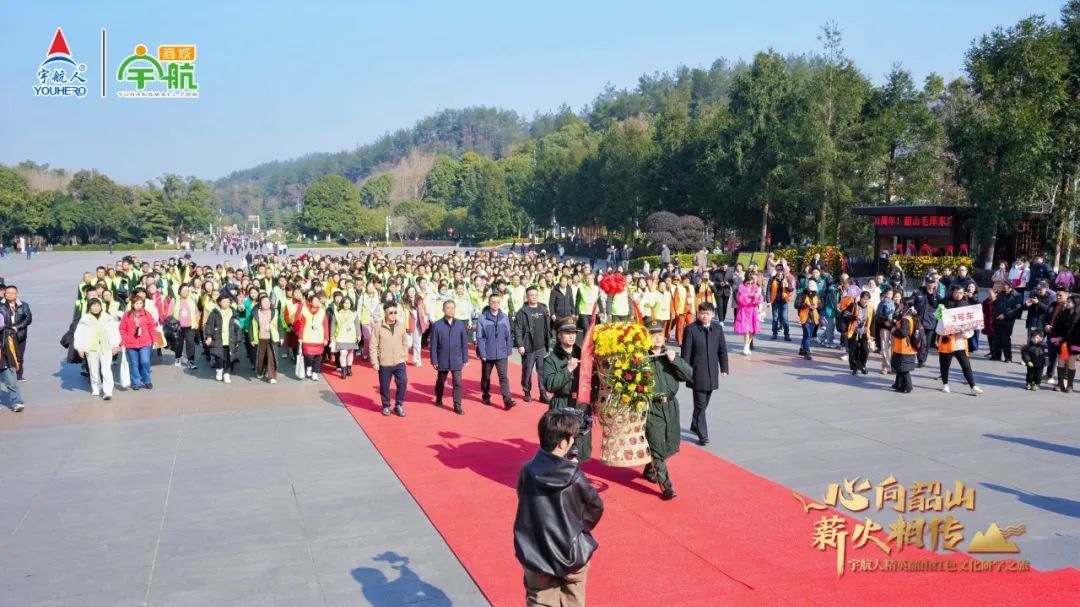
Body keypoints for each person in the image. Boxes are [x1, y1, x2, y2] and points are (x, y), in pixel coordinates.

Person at [513, 409, 604, 607]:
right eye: (571, 438)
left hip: (536, 553)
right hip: (572, 553)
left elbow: (523, 499)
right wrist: (579, 528)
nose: (573, 442)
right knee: (573, 600)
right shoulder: (574, 476)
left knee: (539, 600)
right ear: (562, 443)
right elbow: (595, 507)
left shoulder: (527, 470)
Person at [643, 319, 694, 500]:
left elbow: (689, 375)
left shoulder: (670, 356)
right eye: (652, 335)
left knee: (671, 445)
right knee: (657, 446)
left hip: (671, 406)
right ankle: (666, 487)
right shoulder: (641, 358)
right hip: (652, 407)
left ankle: (650, 469)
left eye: (659, 334)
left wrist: (675, 361)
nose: (656, 338)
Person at [542, 318, 593, 461]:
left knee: (582, 450)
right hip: (562, 404)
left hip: (581, 404)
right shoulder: (552, 359)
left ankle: (572, 477)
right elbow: (550, 385)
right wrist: (568, 369)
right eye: (567, 333)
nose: (571, 336)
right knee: (562, 449)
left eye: (574, 333)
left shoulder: (584, 354)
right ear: (559, 335)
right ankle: (562, 480)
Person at [680, 302, 729, 446]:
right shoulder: (691, 330)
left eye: (707, 313)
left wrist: (724, 368)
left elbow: (722, 350)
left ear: (712, 314)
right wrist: (685, 371)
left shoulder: (717, 329)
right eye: (702, 313)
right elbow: (686, 353)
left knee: (704, 402)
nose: (705, 316)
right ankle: (703, 434)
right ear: (698, 314)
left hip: (712, 372)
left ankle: (695, 423)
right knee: (701, 405)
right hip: (697, 373)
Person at [937, 284, 983, 395]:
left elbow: (971, 324)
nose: (959, 295)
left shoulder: (966, 304)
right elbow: (937, 320)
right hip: (947, 340)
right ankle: (945, 384)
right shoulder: (943, 302)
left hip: (960, 341)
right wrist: (941, 314)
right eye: (957, 292)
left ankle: (973, 386)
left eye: (961, 293)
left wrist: (966, 332)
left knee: (966, 365)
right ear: (952, 292)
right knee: (945, 365)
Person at [73, 298, 121, 400]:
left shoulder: (107, 317)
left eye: (98, 305)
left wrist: (115, 345)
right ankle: (96, 387)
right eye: (93, 306)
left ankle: (108, 391)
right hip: (91, 348)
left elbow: (113, 331)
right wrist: (80, 348)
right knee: (93, 370)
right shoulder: (85, 319)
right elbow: (79, 334)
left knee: (106, 369)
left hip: (106, 347)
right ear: (89, 308)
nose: (96, 308)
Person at [476, 293, 517, 410]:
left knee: (503, 377)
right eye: (493, 302)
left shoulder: (504, 317)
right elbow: (480, 337)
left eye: (497, 302)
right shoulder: (482, 318)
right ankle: (485, 395)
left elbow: (508, 335)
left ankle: (507, 400)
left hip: (502, 353)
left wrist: (509, 350)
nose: (495, 304)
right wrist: (482, 353)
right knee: (486, 376)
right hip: (488, 354)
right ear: (489, 303)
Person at [430, 299, 470, 414]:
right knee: (441, 381)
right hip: (442, 358)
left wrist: (465, 358)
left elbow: (464, 343)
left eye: (452, 308)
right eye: (448, 308)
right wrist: (434, 359)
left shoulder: (460, 324)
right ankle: (439, 397)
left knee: (457, 382)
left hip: (457, 358)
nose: (450, 310)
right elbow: (433, 344)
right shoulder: (437, 325)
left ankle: (457, 404)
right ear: (443, 310)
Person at [514, 286, 551, 403]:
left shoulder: (543, 309)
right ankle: (527, 391)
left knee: (542, 371)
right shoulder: (522, 312)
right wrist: (520, 344)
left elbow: (547, 327)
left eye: (535, 295)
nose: (534, 297)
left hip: (541, 347)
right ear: (527, 297)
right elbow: (518, 330)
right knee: (527, 371)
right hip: (528, 346)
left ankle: (543, 393)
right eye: (531, 295)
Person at [372, 301, 409, 417]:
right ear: (385, 313)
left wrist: (404, 356)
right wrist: (374, 362)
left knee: (403, 382)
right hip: (384, 362)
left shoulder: (401, 325)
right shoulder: (378, 326)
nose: (393, 315)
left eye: (395, 312)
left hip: (399, 361)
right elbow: (373, 345)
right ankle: (386, 406)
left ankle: (398, 404)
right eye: (391, 313)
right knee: (384, 386)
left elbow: (405, 342)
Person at [119, 296, 157, 390]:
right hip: (131, 343)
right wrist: (122, 341)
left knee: (145, 361)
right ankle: (136, 382)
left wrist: (154, 339)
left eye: (141, 303)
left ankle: (146, 380)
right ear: (132, 304)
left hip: (145, 342)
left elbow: (152, 327)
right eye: (137, 303)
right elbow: (122, 329)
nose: (139, 305)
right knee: (134, 363)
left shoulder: (147, 314)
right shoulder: (127, 315)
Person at [205, 294, 242, 383]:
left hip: (230, 339)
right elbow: (209, 325)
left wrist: (238, 339)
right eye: (224, 301)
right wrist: (209, 336)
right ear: (220, 303)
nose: (226, 303)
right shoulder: (214, 313)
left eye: (228, 301)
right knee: (219, 357)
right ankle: (219, 370)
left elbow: (238, 327)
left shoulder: (234, 313)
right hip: (218, 338)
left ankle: (227, 374)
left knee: (229, 357)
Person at [293, 292, 330, 381]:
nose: (317, 302)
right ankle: (309, 366)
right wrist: (300, 337)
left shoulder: (322, 311)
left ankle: (315, 372)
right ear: (310, 302)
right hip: (307, 337)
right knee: (308, 356)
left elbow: (325, 325)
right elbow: (302, 325)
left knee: (318, 357)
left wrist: (326, 338)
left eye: (318, 300)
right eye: (315, 301)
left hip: (319, 337)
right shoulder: (305, 311)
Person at [1, 285, 31, 382]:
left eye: (12, 293)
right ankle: (5, 375)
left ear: (17, 294)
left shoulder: (24, 305)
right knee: (5, 355)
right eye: (8, 293)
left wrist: (17, 327)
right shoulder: (1, 306)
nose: (10, 295)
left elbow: (28, 319)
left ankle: (19, 376)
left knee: (19, 356)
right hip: (5, 334)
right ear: (5, 294)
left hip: (20, 334)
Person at [989, 281, 1023, 363]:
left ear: (1010, 286)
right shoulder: (1000, 293)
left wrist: (1005, 315)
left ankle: (1008, 357)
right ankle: (996, 355)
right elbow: (996, 304)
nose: (1003, 286)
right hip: (997, 319)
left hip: (1007, 320)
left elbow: (1017, 309)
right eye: (1003, 284)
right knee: (997, 338)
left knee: (1005, 339)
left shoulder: (1017, 296)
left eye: (1005, 285)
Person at [891, 298, 920, 393]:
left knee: (904, 369)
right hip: (904, 347)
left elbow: (904, 332)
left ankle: (907, 387)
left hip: (904, 348)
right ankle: (898, 384)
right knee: (900, 367)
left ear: (904, 305)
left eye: (900, 304)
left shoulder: (905, 318)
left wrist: (894, 331)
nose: (899, 305)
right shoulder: (911, 316)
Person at [842, 291, 874, 375]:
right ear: (860, 298)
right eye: (864, 299)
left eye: (867, 299)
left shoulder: (870, 308)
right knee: (853, 351)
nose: (865, 301)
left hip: (864, 332)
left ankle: (862, 365)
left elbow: (873, 321)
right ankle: (854, 367)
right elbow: (845, 315)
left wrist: (872, 335)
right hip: (853, 331)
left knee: (865, 350)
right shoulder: (853, 305)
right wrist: (854, 317)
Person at [249, 294, 279, 384]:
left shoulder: (274, 312)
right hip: (260, 338)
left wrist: (281, 337)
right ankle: (260, 371)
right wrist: (251, 339)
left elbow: (280, 325)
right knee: (260, 357)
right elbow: (250, 326)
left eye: (268, 302)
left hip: (271, 338)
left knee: (271, 357)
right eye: (264, 302)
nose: (266, 303)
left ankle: (272, 376)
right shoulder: (255, 313)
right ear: (260, 304)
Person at [0, 307, 25, 411]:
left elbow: (14, 347)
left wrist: (17, 361)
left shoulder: (8, 332)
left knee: (11, 382)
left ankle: (17, 402)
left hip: (5, 359)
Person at [912, 275, 939, 368]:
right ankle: (920, 358)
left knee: (927, 342)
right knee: (920, 340)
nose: (929, 284)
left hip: (931, 321)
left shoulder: (936, 294)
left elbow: (936, 305)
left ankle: (923, 360)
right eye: (928, 282)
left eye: (932, 283)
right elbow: (912, 302)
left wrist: (931, 294)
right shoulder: (919, 291)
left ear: (935, 283)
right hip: (919, 321)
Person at [733, 269, 762, 356]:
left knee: (752, 331)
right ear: (745, 283)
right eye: (748, 283)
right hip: (744, 312)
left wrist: (757, 297)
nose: (750, 284)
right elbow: (741, 300)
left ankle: (748, 345)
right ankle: (745, 347)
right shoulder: (741, 290)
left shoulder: (755, 289)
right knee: (746, 330)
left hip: (753, 312)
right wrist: (750, 295)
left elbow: (759, 300)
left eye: (751, 283)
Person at [330, 296, 360, 376]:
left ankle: (349, 368)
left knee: (350, 352)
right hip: (340, 335)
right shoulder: (337, 312)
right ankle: (343, 369)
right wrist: (332, 335)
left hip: (351, 336)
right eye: (345, 303)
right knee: (343, 352)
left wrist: (359, 335)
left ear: (351, 304)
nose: (347, 304)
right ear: (342, 304)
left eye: (348, 303)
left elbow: (357, 324)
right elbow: (333, 324)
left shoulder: (354, 313)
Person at [794, 281, 823, 361]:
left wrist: (817, 306)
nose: (812, 291)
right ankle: (807, 351)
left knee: (808, 335)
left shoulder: (816, 295)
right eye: (810, 289)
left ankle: (802, 348)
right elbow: (796, 305)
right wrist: (806, 305)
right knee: (807, 334)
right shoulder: (801, 295)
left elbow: (821, 305)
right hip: (804, 317)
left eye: (813, 290)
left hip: (813, 318)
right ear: (807, 288)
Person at [766, 265, 793, 341]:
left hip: (784, 301)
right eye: (778, 269)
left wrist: (788, 285)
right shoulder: (772, 279)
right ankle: (774, 333)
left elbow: (791, 289)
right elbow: (768, 290)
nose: (780, 271)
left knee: (785, 318)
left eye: (781, 269)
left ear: (783, 270)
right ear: (776, 270)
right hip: (775, 301)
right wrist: (768, 301)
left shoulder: (787, 278)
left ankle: (786, 335)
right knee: (775, 318)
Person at [875, 287, 897, 374]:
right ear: (884, 294)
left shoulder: (895, 303)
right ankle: (885, 367)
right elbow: (878, 314)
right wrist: (885, 321)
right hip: (884, 326)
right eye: (888, 294)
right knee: (884, 347)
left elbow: (898, 315)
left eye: (891, 294)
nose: (889, 296)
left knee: (893, 347)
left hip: (894, 327)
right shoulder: (882, 303)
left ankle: (892, 365)